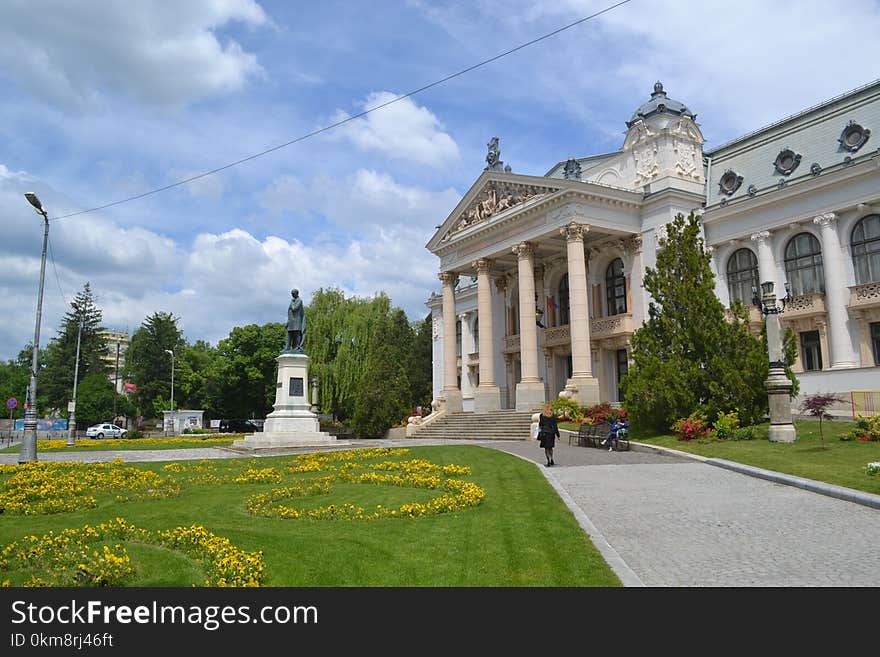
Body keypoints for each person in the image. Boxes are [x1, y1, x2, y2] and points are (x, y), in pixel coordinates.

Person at [537, 403, 560, 467]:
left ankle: (548, 460)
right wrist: (558, 435)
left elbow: (540, 425)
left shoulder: (542, 415)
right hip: (551, 433)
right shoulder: (552, 415)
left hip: (544, 433)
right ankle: (551, 458)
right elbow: (555, 426)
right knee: (550, 447)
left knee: (546, 448)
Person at [284, 288, 306, 353]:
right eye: (291, 293)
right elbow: (290, 313)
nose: (292, 295)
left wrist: (292, 302)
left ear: (296, 293)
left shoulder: (299, 300)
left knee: (297, 335)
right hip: (291, 322)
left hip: (297, 321)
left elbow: (294, 308)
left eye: (293, 293)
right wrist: (287, 322)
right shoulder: (292, 301)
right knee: (289, 334)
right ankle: (287, 348)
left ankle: (296, 347)